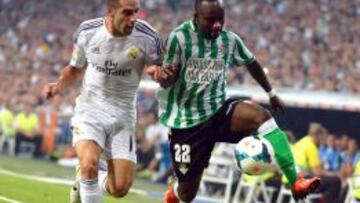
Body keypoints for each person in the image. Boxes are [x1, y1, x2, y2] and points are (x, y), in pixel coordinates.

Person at [157, 0, 321, 202]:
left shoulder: (229, 40)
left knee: (262, 117)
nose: (217, 25)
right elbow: (166, 80)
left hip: (218, 110)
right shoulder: (179, 38)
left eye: (220, 19)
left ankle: (295, 181)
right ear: (196, 17)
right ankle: (175, 189)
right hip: (187, 124)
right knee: (187, 194)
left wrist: (271, 93)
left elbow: (252, 63)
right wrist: (165, 77)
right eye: (210, 20)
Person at [43, 0, 163, 202]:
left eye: (136, 12)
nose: (133, 18)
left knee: (120, 188)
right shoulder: (88, 32)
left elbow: (160, 70)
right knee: (89, 164)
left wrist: (159, 73)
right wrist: (57, 86)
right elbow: (75, 68)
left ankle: (85, 183)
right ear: (110, 12)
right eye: (127, 13)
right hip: (90, 110)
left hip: (123, 116)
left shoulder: (149, 37)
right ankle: (87, 177)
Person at [294, 122, 342, 203]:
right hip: (302, 184)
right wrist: (333, 174)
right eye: (323, 136)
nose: (323, 139)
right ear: (318, 135)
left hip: (291, 181)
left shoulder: (302, 142)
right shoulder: (311, 147)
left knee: (327, 182)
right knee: (335, 181)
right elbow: (318, 173)